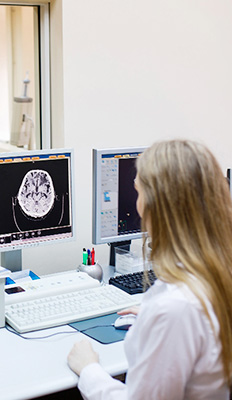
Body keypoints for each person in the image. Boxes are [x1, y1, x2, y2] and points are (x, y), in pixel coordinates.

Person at [68, 139, 232, 399]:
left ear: (155, 207)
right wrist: (151, 316)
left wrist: (88, 369)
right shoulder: (215, 274)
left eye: (139, 191)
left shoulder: (174, 309)